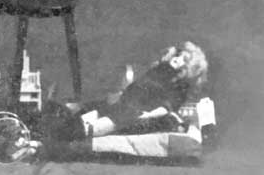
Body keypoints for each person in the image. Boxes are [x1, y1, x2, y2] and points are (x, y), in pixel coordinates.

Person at [42, 41, 208, 143]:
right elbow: (137, 87)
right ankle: (52, 128)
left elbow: (166, 107)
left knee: (93, 125)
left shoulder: (180, 87)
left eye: (184, 60)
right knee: (87, 113)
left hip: (137, 113)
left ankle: (58, 135)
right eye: (179, 54)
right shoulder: (159, 69)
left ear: (189, 68)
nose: (177, 58)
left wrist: (147, 116)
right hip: (124, 104)